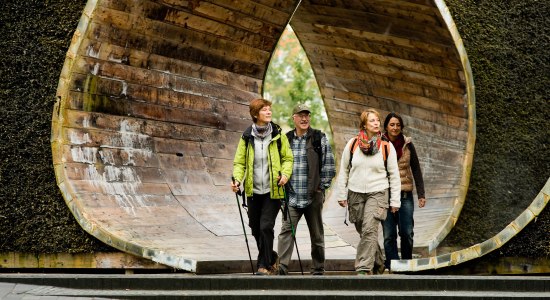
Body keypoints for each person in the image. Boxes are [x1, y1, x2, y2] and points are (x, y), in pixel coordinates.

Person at [231, 98, 293, 275]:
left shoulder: (278, 135)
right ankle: (271, 256)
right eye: (265, 110)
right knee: (255, 227)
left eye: (269, 109)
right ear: (255, 114)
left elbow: (288, 159)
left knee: (266, 226)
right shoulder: (246, 137)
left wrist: (285, 175)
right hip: (252, 191)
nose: (269, 112)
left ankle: (263, 265)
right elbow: (239, 162)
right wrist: (236, 179)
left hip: (273, 191)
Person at [336, 108, 401, 275]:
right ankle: (379, 263)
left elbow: (394, 175)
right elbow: (344, 170)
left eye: (377, 120)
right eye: (372, 121)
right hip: (355, 192)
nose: (376, 123)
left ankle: (363, 268)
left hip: (378, 192)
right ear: (364, 124)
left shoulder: (387, 147)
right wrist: (341, 194)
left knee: (369, 229)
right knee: (363, 230)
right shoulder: (352, 145)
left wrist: (395, 201)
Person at [277, 104, 336, 275]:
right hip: (292, 197)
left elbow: (329, 165)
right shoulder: (285, 139)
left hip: (313, 196)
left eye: (307, 115)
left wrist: (321, 187)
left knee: (317, 235)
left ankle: (318, 268)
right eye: (300, 115)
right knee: (286, 232)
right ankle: (281, 267)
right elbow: (279, 165)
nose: (304, 119)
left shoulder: (318, 137)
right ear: (293, 118)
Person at [381, 112, 426, 270]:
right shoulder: (380, 143)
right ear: (386, 126)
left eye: (398, 125)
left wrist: (421, 194)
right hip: (385, 195)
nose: (395, 128)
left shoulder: (408, 144)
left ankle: (406, 264)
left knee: (407, 232)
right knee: (389, 235)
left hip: (405, 195)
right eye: (392, 125)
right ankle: (393, 265)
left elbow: (416, 169)